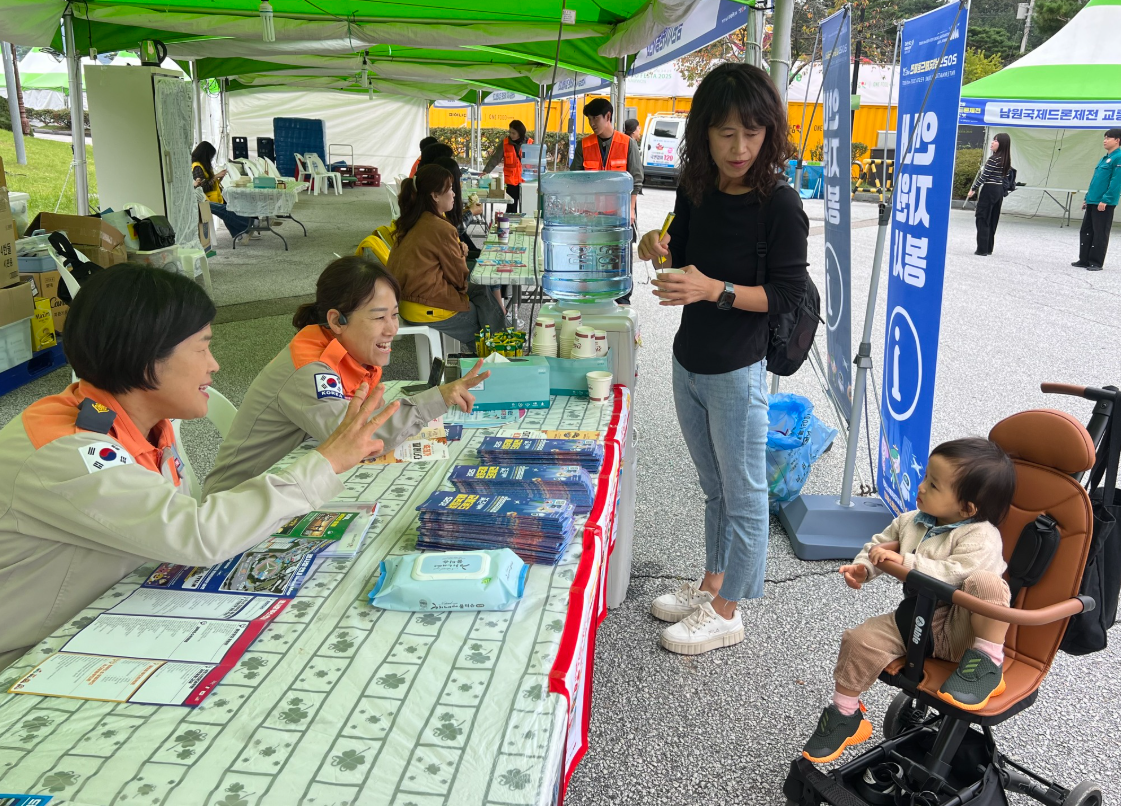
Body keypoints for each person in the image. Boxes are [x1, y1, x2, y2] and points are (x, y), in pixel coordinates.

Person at [0, 264, 402, 669]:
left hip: (107, 614)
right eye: (201, 348)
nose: (214, 365)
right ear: (145, 357)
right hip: (30, 658)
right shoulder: (68, 451)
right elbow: (197, 535)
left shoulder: (138, 423)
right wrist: (326, 462)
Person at [637, 63, 808, 656]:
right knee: (713, 487)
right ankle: (712, 584)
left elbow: (788, 295)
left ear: (769, 134)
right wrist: (654, 247)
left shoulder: (779, 204)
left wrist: (716, 291)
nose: (739, 148)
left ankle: (729, 610)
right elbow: (679, 254)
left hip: (738, 368)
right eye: (726, 133)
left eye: (752, 133)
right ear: (704, 133)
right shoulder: (697, 188)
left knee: (744, 492)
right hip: (688, 359)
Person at [801, 438, 1017, 764]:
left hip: (963, 628)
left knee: (987, 584)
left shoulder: (982, 536)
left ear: (967, 509)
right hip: (917, 619)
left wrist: (907, 563)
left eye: (933, 484)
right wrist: (864, 567)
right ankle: (845, 713)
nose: (921, 487)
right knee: (858, 640)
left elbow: (957, 573)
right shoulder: (912, 520)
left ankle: (987, 662)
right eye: (925, 477)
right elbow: (881, 544)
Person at [204, 256, 488, 495]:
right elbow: (356, 440)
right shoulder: (311, 371)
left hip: (288, 483)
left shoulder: (346, 353)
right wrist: (438, 398)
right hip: (240, 505)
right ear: (336, 321)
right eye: (379, 317)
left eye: (394, 314)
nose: (392, 329)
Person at [388, 165, 506, 348]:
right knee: (483, 323)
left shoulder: (411, 220)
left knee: (481, 290)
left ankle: (500, 340)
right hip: (427, 306)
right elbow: (459, 279)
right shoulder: (441, 227)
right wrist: (460, 255)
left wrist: (458, 253)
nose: (454, 194)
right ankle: (498, 349)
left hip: (406, 302)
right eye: (450, 189)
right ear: (435, 196)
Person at [573, 99, 644, 303]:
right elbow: (575, 179)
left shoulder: (627, 144)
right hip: (591, 216)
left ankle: (622, 300)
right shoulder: (584, 145)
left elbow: (636, 179)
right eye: (589, 119)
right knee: (592, 259)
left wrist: (631, 209)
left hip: (620, 213)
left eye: (595, 118)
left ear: (608, 116)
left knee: (620, 258)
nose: (592, 123)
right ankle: (592, 298)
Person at [1072, 128, 1121, 271]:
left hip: (1103, 202)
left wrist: (1106, 199)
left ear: (1117, 140)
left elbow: (1116, 181)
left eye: (1108, 138)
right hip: (1093, 200)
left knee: (1100, 232)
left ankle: (1096, 262)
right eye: (1104, 138)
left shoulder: (1118, 157)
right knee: (1086, 231)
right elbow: (1096, 180)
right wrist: (1087, 197)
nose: (1105, 141)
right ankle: (1084, 259)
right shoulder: (1104, 158)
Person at [191, 141, 254, 241]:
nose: (211, 159)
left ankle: (240, 233)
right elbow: (202, 188)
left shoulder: (201, 166)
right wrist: (215, 177)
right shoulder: (197, 167)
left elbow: (207, 184)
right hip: (203, 200)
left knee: (227, 206)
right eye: (210, 156)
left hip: (209, 197)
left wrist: (218, 179)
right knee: (226, 209)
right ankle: (247, 225)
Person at [966, 132, 1012, 256]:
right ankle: (989, 247)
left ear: (1002, 144)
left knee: (982, 217)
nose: (992, 142)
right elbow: (1006, 178)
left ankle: (981, 249)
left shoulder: (993, 159)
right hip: (999, 190)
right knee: (993, 219)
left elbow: (984, 176)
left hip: (989, 189)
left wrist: (973, 188)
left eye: (996, 141)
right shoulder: (1006, 160)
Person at [482, 120, 532, 213]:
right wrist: (486, 171)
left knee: (527, 207)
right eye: (510, 132)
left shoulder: (530, 143)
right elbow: (495, 158)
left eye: (514, 133)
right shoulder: (505, 143)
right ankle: (509, 221)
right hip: (511, 181)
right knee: (511, 208)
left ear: (520, 133)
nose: (511, 135)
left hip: (526, 181)